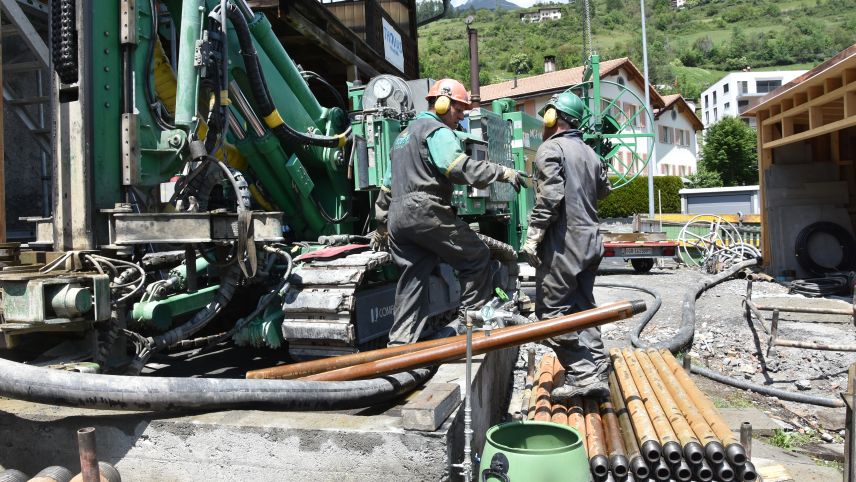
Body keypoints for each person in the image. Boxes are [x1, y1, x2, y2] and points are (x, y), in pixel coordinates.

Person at [372, 78, 529, 346]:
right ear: (442, 104)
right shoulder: (436, 131)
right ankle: (472, 327)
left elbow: (387, 187)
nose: (461, 119)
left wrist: (382, 226)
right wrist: (502, 172)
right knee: (476, 256)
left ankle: (399, 346)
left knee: (412, 278)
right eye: (458, 111)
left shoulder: (402, 138)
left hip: (398, 218)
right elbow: (456, 167)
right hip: (425, 210)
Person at [519, 91, 612, 400]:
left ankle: (584, 375)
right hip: (591, 241)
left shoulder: (551, 149)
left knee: (551, 313)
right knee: (583, 306)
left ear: (552, 117)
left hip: (565, 243)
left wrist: (533, 236)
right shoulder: (591, 153)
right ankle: (598, 366)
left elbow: (550, 199)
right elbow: (604, 192)